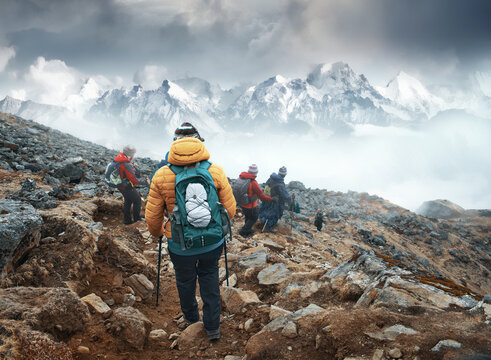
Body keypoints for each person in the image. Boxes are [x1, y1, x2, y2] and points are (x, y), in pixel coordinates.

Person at [145, 122, 236, 341]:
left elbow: (152, 217)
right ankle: (213, 327)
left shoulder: (161, 175)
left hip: (180, 243)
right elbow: (230, 210)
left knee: (185, 281)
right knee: (209, 278)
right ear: (198, 141)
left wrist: (158, 233)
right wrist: (216, 226)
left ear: (174, 143)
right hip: (212, 242)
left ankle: (192, 319)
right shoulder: (215, 171)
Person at [114, 145, 148, 225]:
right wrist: (146, 182)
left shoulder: (120, 157)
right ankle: (137, 219)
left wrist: (132, 165)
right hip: (126, 186)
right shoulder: (126, 164)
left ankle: (127, 221)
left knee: (128, 201)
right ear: (131, 154)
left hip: (120, 184)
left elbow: (125, 169)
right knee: (137, 200)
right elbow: (134, 180)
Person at [236, 164, 272, 238]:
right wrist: (272, 199)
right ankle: (243, 231)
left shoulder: (243, 178)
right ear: (255, 173)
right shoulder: (253, 182)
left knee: (248, 217)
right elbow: (262, 196)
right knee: (254, 218)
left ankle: (247, 229)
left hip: (242, 203)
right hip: (251, 205)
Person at [258, 166, 291, 233]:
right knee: (273, 214)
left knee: (265, 211)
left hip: (267, 198)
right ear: (284, 174)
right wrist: (290, 199)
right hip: (275, 201)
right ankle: (268, 227)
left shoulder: (271, 178)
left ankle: (262, 222)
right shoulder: (280, 183)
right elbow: (284, 194)